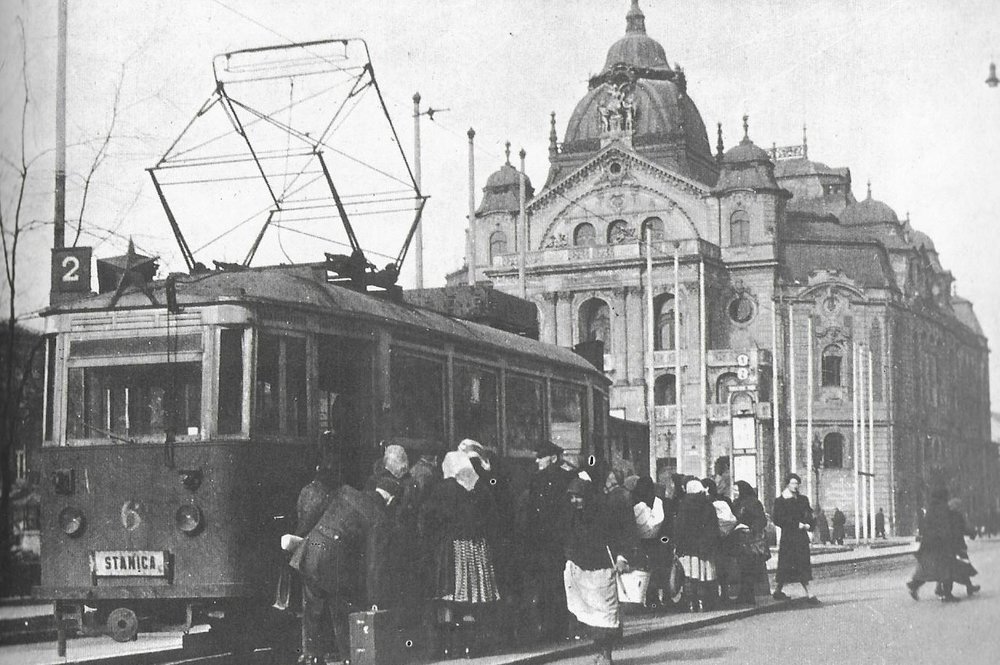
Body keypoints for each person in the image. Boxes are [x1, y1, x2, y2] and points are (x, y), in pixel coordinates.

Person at [290, 475, 400, 664]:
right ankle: (348, 657)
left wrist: (298, 538)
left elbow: (315, 514)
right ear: (391, 499)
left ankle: (311, 656)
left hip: (310, 548)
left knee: (312, 606)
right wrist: (374, 598)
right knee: (342, 609)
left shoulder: (346, 491)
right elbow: (374, 563)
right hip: (334, 559)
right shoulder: (378, 517)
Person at [420, 450, 501, 656]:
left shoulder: (443, 489)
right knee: (475, 600)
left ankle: (451, 646)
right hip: (478, 548)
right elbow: (493, 519)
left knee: (452, 599)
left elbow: (426, 519)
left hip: (452, 549)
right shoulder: (481, 488)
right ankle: (472, 645)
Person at [563, 474, 634, 665]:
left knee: (606, 614)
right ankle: (600, 652)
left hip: (603, 571)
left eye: (578, 496)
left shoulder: (605, 513)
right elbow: (568, 539)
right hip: (581, 571)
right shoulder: (573, 516)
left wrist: (621, 558)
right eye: (571, 497)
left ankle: (606, 654)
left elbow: (620, 536)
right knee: (591, 615)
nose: (574, 501)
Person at [292, 436, 342, 664]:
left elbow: (303, 524)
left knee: (312, 605)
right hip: (323, 552)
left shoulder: (308, 492)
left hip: (311, 552)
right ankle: (319, 650)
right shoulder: (329, 494)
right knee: (323, 605)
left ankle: (311, 651)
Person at [520, 440, 575, 641]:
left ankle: (548, 629)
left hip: (542, 541)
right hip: (560, 541)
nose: (537, 460)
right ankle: (561, 628)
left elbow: (533, 514)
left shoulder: (536, 480)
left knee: (544, 586)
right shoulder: (569, 477)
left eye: (541, 457)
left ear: (552, 458)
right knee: (560, 585)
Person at [673, 479, 721, 612]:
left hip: (689, 548)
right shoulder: (708, 505)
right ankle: (705, 603)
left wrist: (678, 544)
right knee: (705, 576)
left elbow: (679, 528)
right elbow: (713, 528)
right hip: (705, 547)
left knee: (689, 576)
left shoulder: (684, 505)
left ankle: (691, 603)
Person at [907, 487, 962, 601]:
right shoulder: (943, 508)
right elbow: (944, 527)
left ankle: (915, 584)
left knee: (930, 568)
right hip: (941, 544)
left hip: (929, 544)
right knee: (946, 568)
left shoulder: (932, 508)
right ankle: (946, 594)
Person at [772, 473, 817, 602]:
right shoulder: (781, 501)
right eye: (793, 483)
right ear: (787, 484)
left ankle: (810, 594)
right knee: (786, 566)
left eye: (797, 483)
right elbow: (778, 519)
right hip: (789, 538)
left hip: (801, 538)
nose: (795, 486)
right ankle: (779, 590)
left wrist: (809, 524)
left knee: (802, 565)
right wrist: (796, 524)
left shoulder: (803, 499)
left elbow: (809, 513)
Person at [631, 476, 667, 607]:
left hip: (639, 542)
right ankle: (653, 599)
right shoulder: (657, 501)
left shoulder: (634, 501)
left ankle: (639, 600)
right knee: (654, 571)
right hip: (655, 542)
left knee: (640, 570)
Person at [732, 481, 770, 603]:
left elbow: (761, 520)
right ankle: (744, 594)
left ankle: (749, 595)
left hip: (750, 540)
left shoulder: (753, 503)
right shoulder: (737, 503)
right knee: (742, 567)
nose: (735, 493)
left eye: (737, 490)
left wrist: (751, 528)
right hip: (739, 539)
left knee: (749, 567)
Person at [946, 498, 980, 597]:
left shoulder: (946, 516)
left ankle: (968, 587)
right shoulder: (957, 516)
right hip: (957, 546)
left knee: (954, 567)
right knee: (962, 566)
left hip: (949, 546)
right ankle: (947, 592)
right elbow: (962, 528)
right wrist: (972, 533)